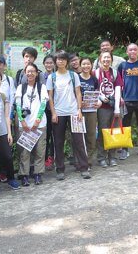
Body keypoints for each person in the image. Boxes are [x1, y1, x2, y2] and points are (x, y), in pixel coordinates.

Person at [46, 51, 91, 180]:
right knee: (58, 142)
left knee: (79, 141)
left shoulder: (73, 75)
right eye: (58, 59)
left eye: (63, 59)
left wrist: (79, 109)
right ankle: (60, 169)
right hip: (58, 114)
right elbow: (50, 96)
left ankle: (84, 167)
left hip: (73, 112)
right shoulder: (52, 77)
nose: (61, 61)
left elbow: (78, 93)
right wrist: (53, 113)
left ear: (66, 61)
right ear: (55, 61)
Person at [15, 63, 48, 186]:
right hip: (25, 125)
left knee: (40, 151)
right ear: (24, 73)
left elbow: (44, 104)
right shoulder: (20, 88)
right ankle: (24, 175)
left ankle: (38, 174)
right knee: (24, 151)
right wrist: (22, 122)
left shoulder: (42, 87)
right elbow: (18, 105)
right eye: (28, 71)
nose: (30, 73)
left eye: (33, 71)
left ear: (37, 73)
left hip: (39, 124)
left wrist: (37, 120)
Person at [117, 43, 138, 159]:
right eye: (130, 50)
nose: (133, 52)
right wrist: (120, 97)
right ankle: (124, 149)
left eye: (135, 50)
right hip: (126, 100)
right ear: (127, 52)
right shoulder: (122, 66)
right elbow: (118, 83)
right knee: (126, 126)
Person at [94, 51, 123, 167]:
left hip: (113, 107)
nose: (106, 59)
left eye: (108, 57)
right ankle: (101, 157)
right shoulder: (95, 73)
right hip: (102, 108)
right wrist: (101, 97)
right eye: (104, 57)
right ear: (100, 59)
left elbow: (118, 90)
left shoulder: (115, 73)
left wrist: (117, 108)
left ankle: (112, 157)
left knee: (114, 131)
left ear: (111, 59)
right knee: (102, 132)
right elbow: (94, 88)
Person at [78, 57, 100, 171]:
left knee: (91, 136)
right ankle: (80, 162)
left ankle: (89, 162)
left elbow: (98, 94)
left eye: (88, 64)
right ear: (80, 65)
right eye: (83, 64)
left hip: (92, 111)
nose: (86, 66)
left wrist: (99, 103)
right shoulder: (76, 78)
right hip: (79, 112)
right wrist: (79, 103)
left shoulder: (94, 79)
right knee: (79, 137)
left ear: (91, 65)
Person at [42, 54, 55, 171]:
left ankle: (53, 157)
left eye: (51, 63)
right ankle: (45, 158)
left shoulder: (58, 76)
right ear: (44, 64)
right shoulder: (40, 76)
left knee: (54, 135)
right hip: (44, 110)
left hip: (56, 109)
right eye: (47, 63)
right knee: (45, 135)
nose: (49, 65)